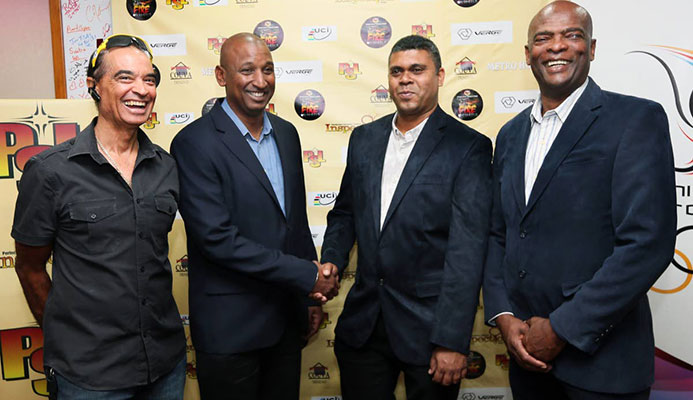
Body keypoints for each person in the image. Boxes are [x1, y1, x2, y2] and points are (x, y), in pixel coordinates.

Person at [483, 2, 677, 399]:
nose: (556, 47)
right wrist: (504, 316)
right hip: (527, 363)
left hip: (602, 368)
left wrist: (560, 330)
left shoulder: (634, 120)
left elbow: (646, 245)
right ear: (527, 53)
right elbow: (498, 234)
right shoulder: (510, 135)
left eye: (571, 35)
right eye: (543, 38)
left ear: (591, 48)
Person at [12, 34, 185, 399]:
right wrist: (68, 337)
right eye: (125, 78)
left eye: (149, 79)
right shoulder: (50, 172)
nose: (141, 89)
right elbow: (29, 267)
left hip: (165, 367)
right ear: (94, 86)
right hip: (88, 376)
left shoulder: (166, 167)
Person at [320, 35, 492, 400]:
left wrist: (452, 340)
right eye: (396, 71)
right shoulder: (365, 138)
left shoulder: (468, 147)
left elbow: (467, 250)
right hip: (364, 326)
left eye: (417, 70)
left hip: (430, 334)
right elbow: (346, 211)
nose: (405, 79)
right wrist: (333, 258)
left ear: (440, 75)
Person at [170, 33, 338, 400]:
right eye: (247, 70)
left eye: (268, 70)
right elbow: (217, 239)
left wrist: (307, 297)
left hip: (285, 322)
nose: (260, 82)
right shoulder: (193, 143)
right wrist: (306, 276)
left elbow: (293, 223)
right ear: (221, 76)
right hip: (231, 331)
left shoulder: (288, 135)